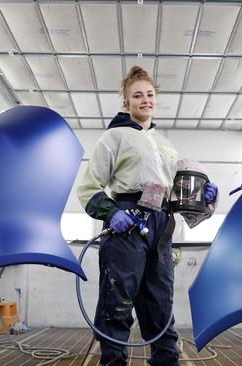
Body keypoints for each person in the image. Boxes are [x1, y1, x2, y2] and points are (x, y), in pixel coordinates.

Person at [77, 66, 218, 366]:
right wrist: (112, 212)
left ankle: (167, 361)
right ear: (126, 103)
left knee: (160, 306)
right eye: (137, 95)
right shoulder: (114, 138)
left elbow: (178, 192)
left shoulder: (165, 146)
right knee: (117, 305)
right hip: (127, 223)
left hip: (162, 227)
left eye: (150, 95)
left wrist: (202, 194)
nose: (145, 100)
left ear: (156, 100)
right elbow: (88, 188)